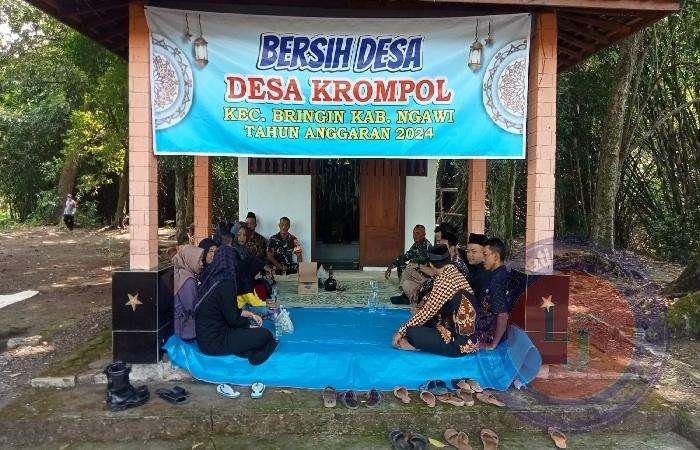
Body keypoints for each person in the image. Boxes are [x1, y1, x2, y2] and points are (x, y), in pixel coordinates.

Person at [195, 246, 277, 365]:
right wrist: (248, 325)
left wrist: (251, 315)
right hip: (215, 341)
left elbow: (227, 310)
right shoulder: (226, 284)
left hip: (205, 337)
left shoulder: (212, 278)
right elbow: (234, 319)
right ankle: (253, 354)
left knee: (252, 333)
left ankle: (245, 348)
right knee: (266, 335)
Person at [391, 244, 478, 356]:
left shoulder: (444, 280)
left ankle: (416, 345)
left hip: (459, 344)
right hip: (467, 335)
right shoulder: (454, 273)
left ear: (431, 264)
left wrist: (401, 331)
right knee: (422, 321)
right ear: (448, 259)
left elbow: (427, 312)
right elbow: (431, 301)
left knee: (411, 332)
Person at [474, 238, 511, 350]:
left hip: (486, 337)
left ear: (496, 256)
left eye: (485, 255)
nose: (483, 259)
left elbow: (503, 315)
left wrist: (493, 344)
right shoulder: (495, 275)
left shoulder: (498, 279)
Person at [388, 224, 431, 304]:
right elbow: (405, 257)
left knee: (409, 267)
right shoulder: (416, 245)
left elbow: (421, 262)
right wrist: (391, 266)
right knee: (401, 263)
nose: (414, 235)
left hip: (425, 279)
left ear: (424, 234)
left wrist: (412, 263)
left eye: (417, 233)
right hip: (415, 274)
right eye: (413, 233)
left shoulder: (427, 247)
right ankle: (405, 293)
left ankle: (405, 295)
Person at [172, 245, 204, 340]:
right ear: (190, 260)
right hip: (183, 329)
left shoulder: (180, 273)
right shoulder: (188, 281)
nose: (201, 264)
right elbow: (192, 307)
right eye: (199, 260)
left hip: (176, 325)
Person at [462, 233, 492, 305]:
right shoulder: (474, 267)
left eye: (474, 251)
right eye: (468, 251)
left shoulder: (485, 273)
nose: (469, 254)